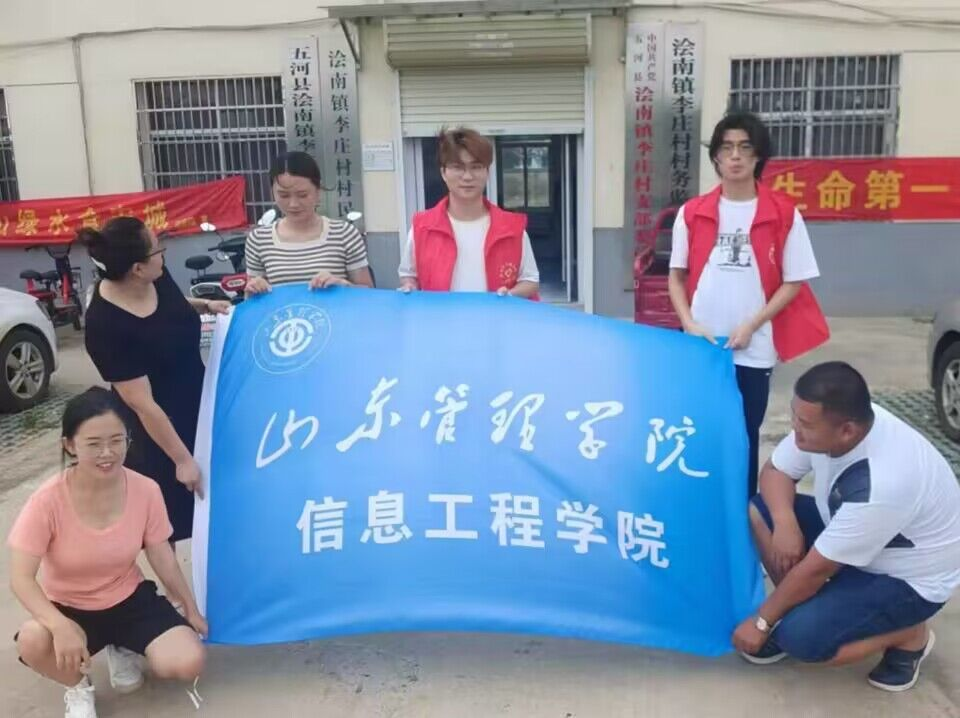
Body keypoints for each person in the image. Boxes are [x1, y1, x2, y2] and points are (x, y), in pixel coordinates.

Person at [733, 362, 960, 692]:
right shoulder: (837, 424)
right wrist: (785, 523)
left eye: (804, 424)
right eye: (795, 416)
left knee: (802, 640)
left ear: (847, 431)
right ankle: (812, 611)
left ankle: (910, 635)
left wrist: (761, 621)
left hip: (907, 579)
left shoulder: (884, 482)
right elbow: (775, 472)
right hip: (857, 541)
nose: (794, 429)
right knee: (763, 511)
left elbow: (816, 569)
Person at [9, 388, 207, 718]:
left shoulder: (146, 489)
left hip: (129, 599)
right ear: (70, 445)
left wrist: (190, 607)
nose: (107, 453)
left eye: (117, 440)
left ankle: (123, 644)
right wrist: (58, 626)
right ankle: (77, 686)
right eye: (93, 443)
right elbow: (21, 578)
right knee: (32, 641)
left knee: (188, 661)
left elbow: (161, 555)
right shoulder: (46, 501)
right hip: (70, 607)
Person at [668, 110, 829, 497]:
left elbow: (793, 282)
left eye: (744, 147)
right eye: (727, 148)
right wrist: (689, 323)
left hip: (753, 347)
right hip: (702, 345)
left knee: (744, 433)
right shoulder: (692, 213)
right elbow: (676, 276)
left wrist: (752, 324)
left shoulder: (782, 214)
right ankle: (699, 503)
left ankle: (740, 510)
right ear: (716, 157)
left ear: (758, 156)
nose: (735, 156)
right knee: (698, 429)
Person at [80, 218, 229, 543]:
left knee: (218, 504)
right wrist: (182, 459)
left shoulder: (155, 275)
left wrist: (205, 304)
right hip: (155, 431)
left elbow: (171, 306)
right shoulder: (105, 325)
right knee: (167, 516)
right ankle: (173, 576)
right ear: (137, 269)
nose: (163, 254)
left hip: (197, 401)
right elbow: (143, 404)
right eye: (158, 249)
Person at [398, 127, 540, 298]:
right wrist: (409, 286)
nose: (467, 177)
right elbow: (409, 274)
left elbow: (530, 280)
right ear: (443, 173)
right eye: (458, 167)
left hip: (496, 315)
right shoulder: (422, 227)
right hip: (440, 315)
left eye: (476, 167)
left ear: (487, 172)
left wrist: (509, 295)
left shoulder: (512, 228)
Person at [244, 151, 374, 296]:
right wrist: (254, 289)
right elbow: (250, 301)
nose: (293, 204)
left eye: (303, 195)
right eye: (284, 195)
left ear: (318, 191)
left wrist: (342, 285)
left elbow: (369, 294)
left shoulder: (344, 234)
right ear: (272, 193)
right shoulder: (259, 239)